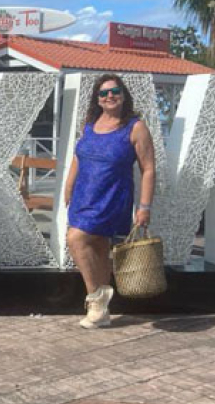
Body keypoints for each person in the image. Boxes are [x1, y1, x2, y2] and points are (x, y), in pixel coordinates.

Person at [64, 75, 156, 330]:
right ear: (97, 99)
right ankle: (102, 311)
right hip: (84, 195)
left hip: (112, 197)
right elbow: (79, 156)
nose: (109, 96)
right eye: (103, 93)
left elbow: (148, 169)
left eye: (115, 91)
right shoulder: (91, 124)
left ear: (124, 95)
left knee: (76, 238)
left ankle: (95, 299)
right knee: (97, 247)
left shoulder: (135, 127)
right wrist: (69, 185)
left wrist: (144, 206)